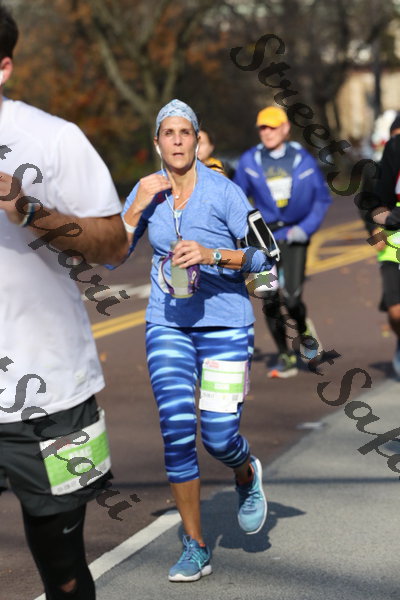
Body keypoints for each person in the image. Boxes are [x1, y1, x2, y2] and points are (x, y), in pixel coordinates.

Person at [0, 4, 128, 599]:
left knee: (66, 573)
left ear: (3, 68)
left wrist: (30, 209)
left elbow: (113, 243)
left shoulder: (53, 138)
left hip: (52, 390)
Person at [122, 99, 273, 582]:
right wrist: (135, 208)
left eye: (185, 132)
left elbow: (266, 255)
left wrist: (212, 254)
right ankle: (195, 544)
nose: (177, 141)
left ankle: (245, 471)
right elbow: (112, 254)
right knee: (176, 429)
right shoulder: (147, 191)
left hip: (225, 325)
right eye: (168, 133)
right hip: (167, 323)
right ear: (157, 143)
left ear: (197, 139)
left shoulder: (224, 191)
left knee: (219, 436)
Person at [234, 105, 332, 378]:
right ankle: (284, 354)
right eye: (262, 128)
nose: (267, 133)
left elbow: (321, 199)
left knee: (291, 297)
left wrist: (305, 228)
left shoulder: (302, 159)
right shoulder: (250, 160)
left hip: (294, 237)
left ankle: (304, 331)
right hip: (263, 241)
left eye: (272, 127)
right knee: (267, 297)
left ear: (285, 128)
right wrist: (244, 233)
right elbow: (237, 200)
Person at [362, 125, 400, 376]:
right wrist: (374, 229)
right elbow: (372, 203)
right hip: (393, 242)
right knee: (396, 312)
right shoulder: (387, 157)